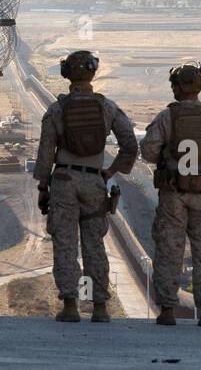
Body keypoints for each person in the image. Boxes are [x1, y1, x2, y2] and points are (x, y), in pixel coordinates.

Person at [32, 50, 138, 323]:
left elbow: (45, 152)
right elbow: (130, 144)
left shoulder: (57, 110)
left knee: (65, 243)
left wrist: (44, 186)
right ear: (93, 72)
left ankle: (70, 305)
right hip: (94, 181)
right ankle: (100, 307)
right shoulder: (107, 107)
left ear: (66, 73)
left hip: (64, 182)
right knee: (94, 245)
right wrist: (111, 171)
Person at [140, 61, 201, 327]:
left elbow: (148, 151)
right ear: (199, 87)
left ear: (176, 87)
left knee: (169, 250)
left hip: (173, 193)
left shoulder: (167, 117)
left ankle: (167, 311)